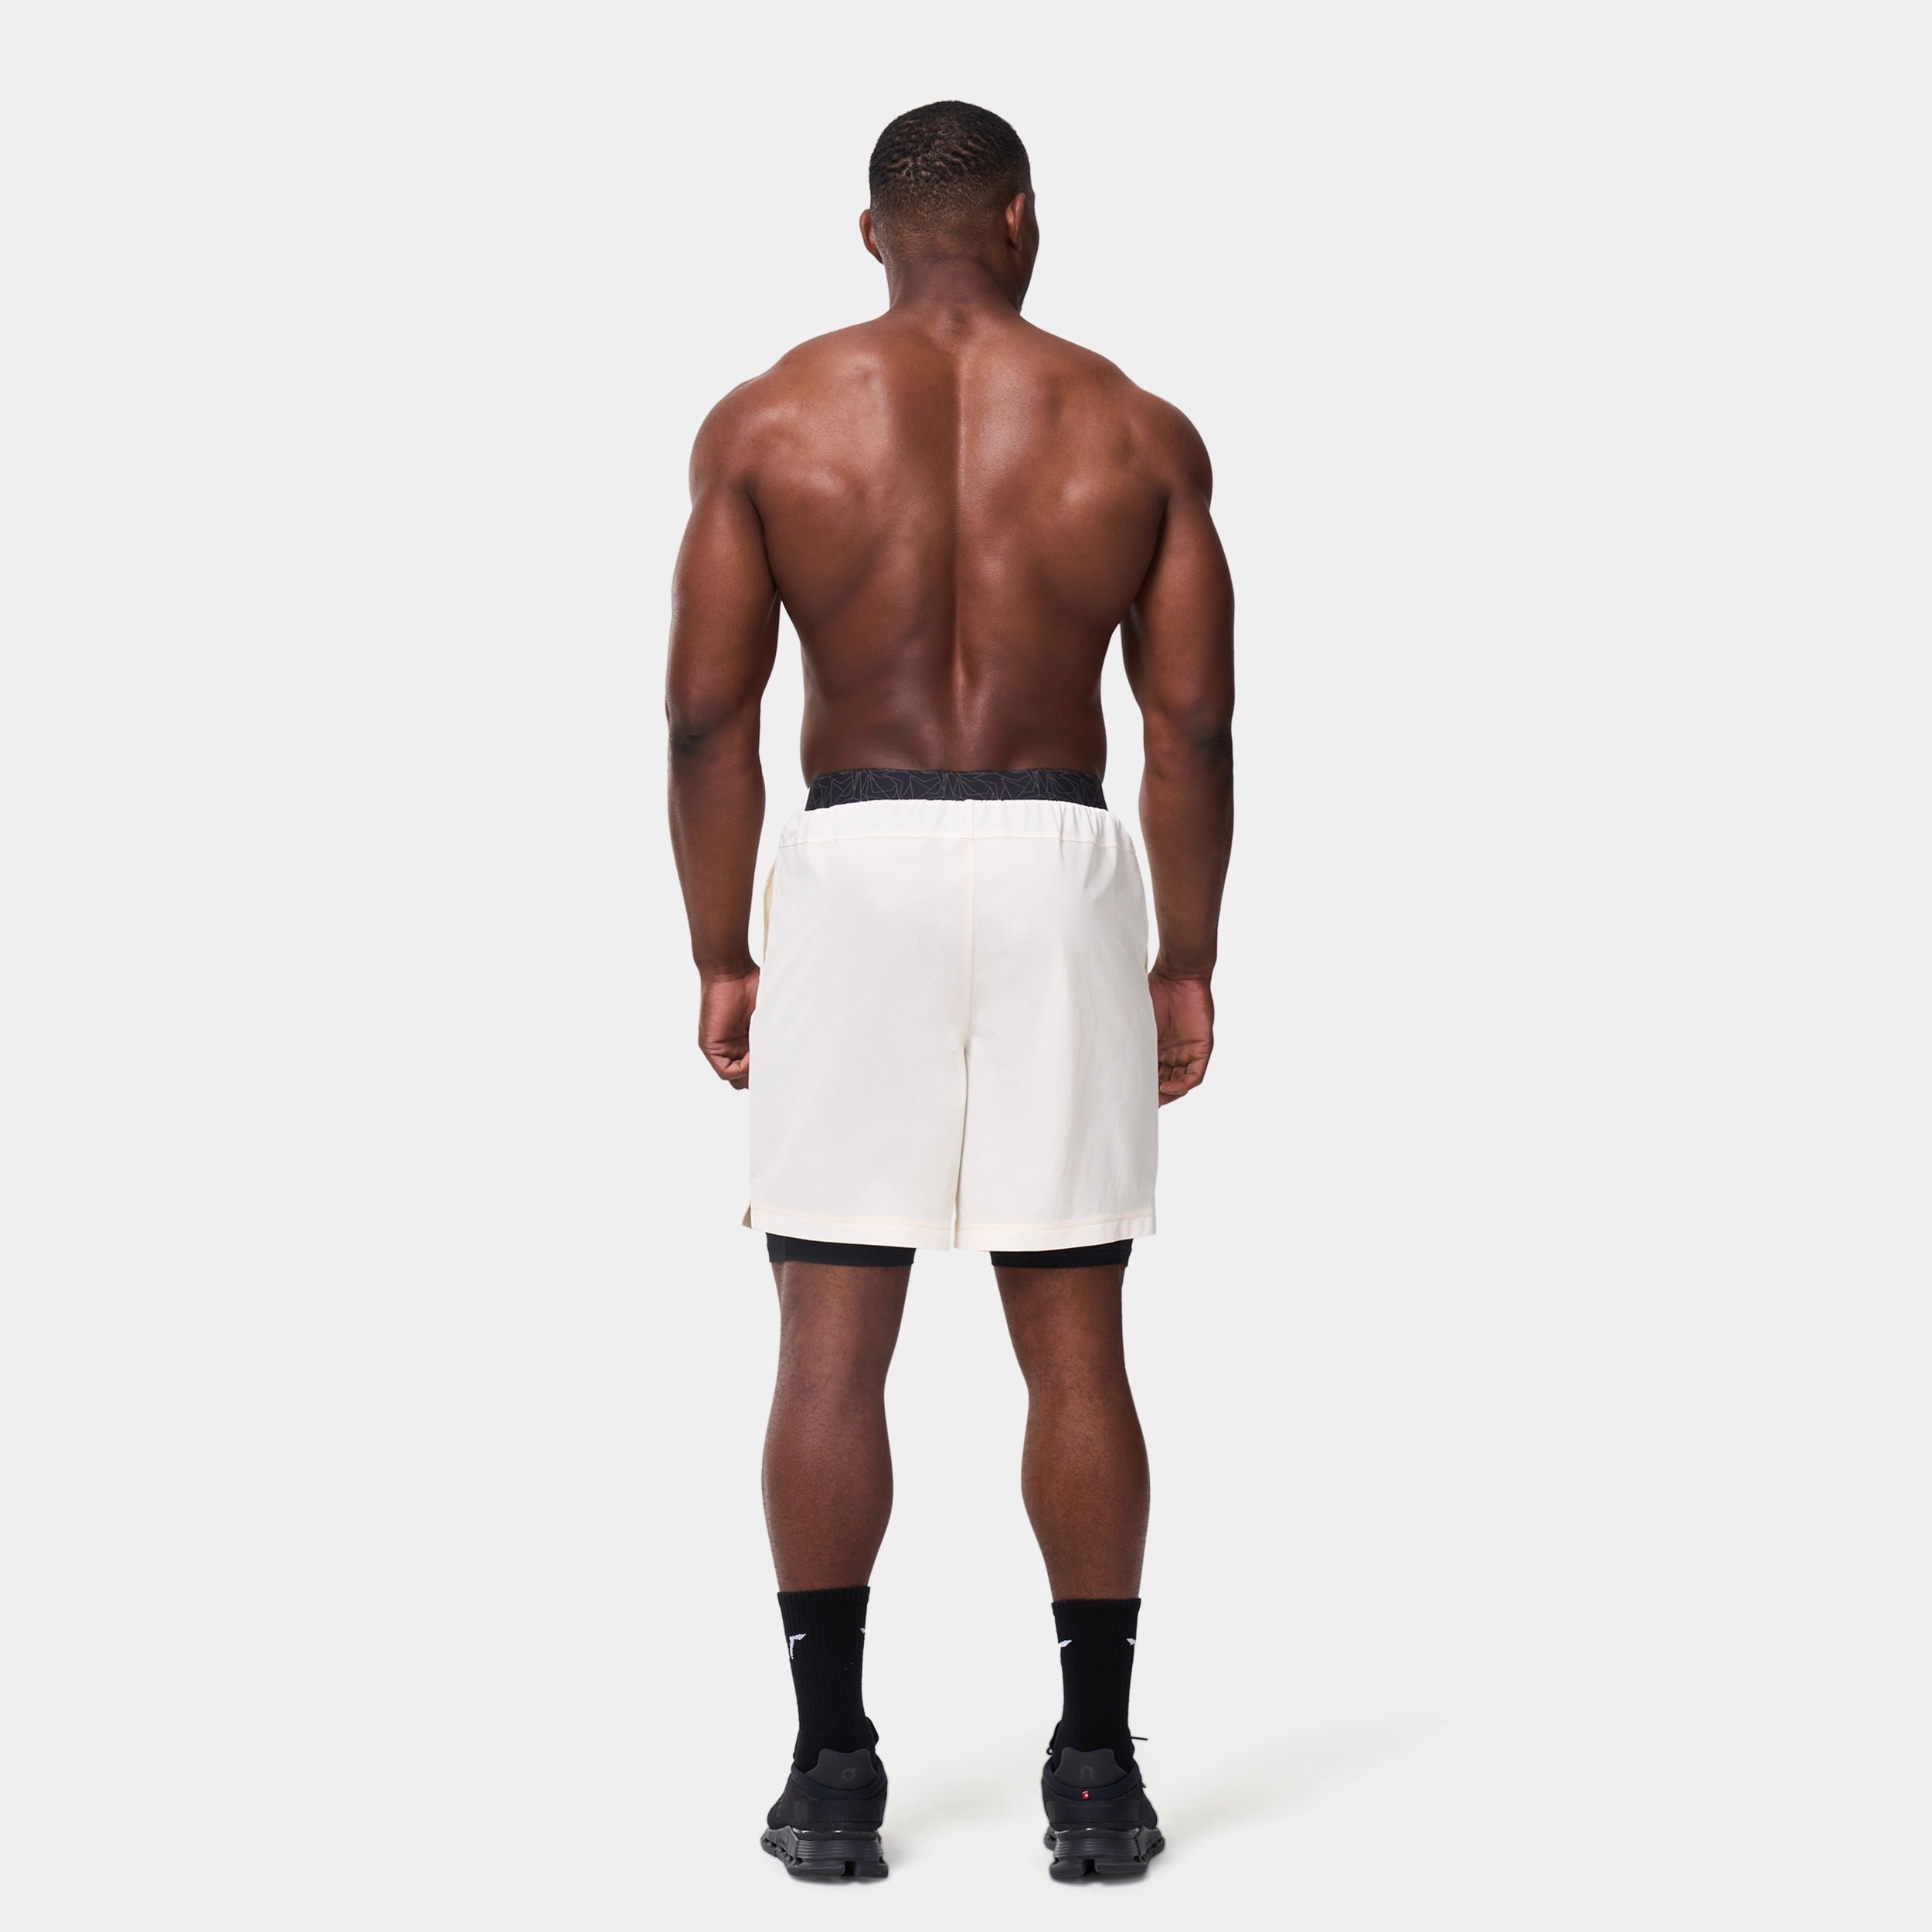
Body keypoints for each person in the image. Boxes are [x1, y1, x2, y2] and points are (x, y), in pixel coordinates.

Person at [666, 99, 1234, 1882]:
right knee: (1075, 1336)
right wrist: (1185, 953)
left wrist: (719, 945)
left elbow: (705, 718)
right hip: (1059, 852)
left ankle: (830, 1765)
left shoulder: (769, 420)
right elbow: (1189, 726)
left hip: (852, 857)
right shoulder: (1131, 426)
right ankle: (1096, 1769)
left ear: (869, 233)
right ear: (1018, 219)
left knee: (830, 1337)